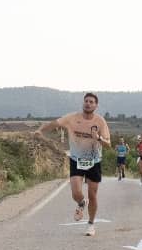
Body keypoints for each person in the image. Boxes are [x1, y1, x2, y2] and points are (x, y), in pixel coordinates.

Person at [35, 93, 110, 236]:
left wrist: (99, 138)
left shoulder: (100, 121)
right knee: (76, 193)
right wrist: (41, 130)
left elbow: (108, 144)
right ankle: (81, 202)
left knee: (92, 195)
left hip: (94, 161)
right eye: (86, 101)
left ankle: (90, 224)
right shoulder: (72, 118)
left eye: (91, 102)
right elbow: (54, 124)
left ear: (96, 105)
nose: (88, 103)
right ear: (83, 103)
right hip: (76, 160)